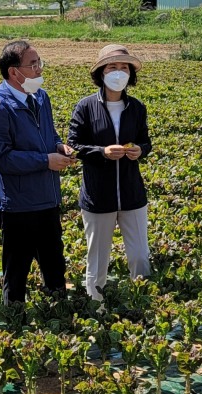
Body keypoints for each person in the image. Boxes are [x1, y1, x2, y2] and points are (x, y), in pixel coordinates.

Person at [0, 40, 75, 305]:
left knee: (55, 267)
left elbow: (49, 134)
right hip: (18, 206)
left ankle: (58, 316)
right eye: (33, 64)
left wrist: (59, 146)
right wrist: (45, 160)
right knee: (17, 273)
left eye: (39, 62)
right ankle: (15, 319)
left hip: (47, 199)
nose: (39, 69)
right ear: (14, 72)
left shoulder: (41, 97)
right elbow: (2, 158)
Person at [66, 44, 152, 301]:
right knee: (97, 258)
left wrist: (140, 150)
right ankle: (96, 305)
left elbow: (145, 141)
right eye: (112, 67)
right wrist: (102, 152)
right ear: (101, 72)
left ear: (130, 74)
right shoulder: (86, 107)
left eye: (124, 67)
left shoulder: (136, 107)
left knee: (140, 255)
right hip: (98, 196)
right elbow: (74, 145)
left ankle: (141, 300)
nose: (119, 72)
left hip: (131, 193)